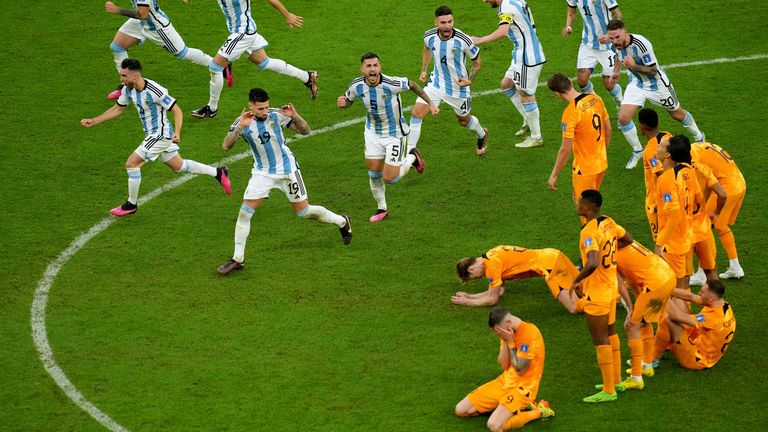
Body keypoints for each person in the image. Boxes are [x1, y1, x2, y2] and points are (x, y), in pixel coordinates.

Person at [217, 88, 351, 275]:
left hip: (288, 170)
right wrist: (240, 127)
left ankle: (341, 221)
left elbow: (305, 131)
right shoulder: (242, 122)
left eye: (266, 107)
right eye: (261, 108)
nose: (265, 112)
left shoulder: (276, 115)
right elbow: (226, 146)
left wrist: (295, 116)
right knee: (245, 212)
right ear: (251, 105)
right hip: (262, 173)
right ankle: (237, 259)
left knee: (304, 212)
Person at [81, 59, 231, 217]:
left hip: (160, 135)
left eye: (124, 76)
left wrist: (178, 132)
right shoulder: (128, 89)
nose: (121, 79)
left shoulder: (155, 90)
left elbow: (177, 110)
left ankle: (131, 204)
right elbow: (118, 108)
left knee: (132, 164)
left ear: (135, 76)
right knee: (178, 166)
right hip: (152, 135)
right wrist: (94, 120)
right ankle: (218, 172)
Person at [337, 52, 438, 223]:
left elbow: (413, 85)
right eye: (368, 66)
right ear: (362, 69)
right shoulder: (356, 85)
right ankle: (382, 208)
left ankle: (412, 157)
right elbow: (349, 99)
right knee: (374, 174)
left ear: (380, 67)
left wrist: (431, 103)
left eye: (375, 65)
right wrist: (344, 103)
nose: (372, 69)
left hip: (394, 134)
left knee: (390, 178)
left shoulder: (392, 83)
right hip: (372, 133)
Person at [191, 0, 318, 119]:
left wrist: (287, 14)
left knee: (215, 67)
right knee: (265, 62)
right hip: (243, 31)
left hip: (243, 33)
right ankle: (307, 77)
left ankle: (211, 108)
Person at [606, 19, 705, 169]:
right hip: (637, 84)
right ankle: (638, 150)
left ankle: (699, 137)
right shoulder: (615, 45)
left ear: (625, 32)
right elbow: (617, 56)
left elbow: (653, 70)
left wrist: (634, 66)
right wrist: (615, 72)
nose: (614, 41)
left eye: (617, 37)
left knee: (676, 114)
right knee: (624, 118)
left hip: (657, 85)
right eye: (611, 38)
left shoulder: (641, 44)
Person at [571, 189, 633, 402]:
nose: (577, 204)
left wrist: (576, 280)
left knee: (600, 339)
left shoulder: (588, 231)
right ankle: (615, 381)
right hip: (611, 288)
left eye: (580, 202)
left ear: (587, 207)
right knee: (611, 332)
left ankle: (609, 391)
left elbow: (592, 261)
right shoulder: (608, 221)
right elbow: (628, 239)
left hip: (596, 293)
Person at [455, 307, 555, 431]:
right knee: (461, 410)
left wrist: (511, 342)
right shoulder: (506, 332)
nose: (499, 335)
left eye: (499, 332)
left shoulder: (530, 334)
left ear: (508, 323)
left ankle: (539, 411)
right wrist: (505, 340)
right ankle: (505, 408)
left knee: (494, 425)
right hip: (504, 383)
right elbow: (503, 365)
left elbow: (520, 369)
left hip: (523, 389)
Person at [104, 1, 227, 101]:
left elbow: (143, 14)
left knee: (182, 53)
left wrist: (117, 10)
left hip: (156, 28)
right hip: (139, 23)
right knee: (117, 46)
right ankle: (128, 84)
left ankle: (218, 64)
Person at [408, 5, 489, 156]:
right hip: (436, 84)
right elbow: (426, 48)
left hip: (458, 88)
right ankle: (411, 154)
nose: (447, 26)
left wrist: (469, 80)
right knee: (416, 113)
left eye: (450, 21)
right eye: (443, 22)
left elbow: (477, 62)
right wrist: (424, 69)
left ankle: (482, 134)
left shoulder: (463, 40)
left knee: (464, 121)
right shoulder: (429, 36)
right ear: (436, 23)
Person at [472, 0, 546, 148]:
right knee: (506, 85)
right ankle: (527, 118)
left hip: (527, 57)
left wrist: (479, 40)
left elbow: (503, 31)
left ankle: (536, 137)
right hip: (521, 53)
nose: (484, 1)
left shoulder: (505, 6)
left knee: (526, 94)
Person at [546, 73, 611, 219]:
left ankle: (594, 238)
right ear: (570, 82)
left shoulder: (570, 113)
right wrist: (602, 153)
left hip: (585, 169)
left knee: (585, 208)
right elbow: (608, 129)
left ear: (557, 94)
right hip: (601, 163)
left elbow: (565, 149)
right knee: (592, 202)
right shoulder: (596, 98)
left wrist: (554, 175)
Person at [615, 239, 675, 389]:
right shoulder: (628, 244)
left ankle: (636, 378)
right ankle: (647, 366)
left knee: (632, 326)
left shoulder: (609, 255)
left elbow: (621, 285)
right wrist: (636, 306)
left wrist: (630, 308)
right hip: (667, 276)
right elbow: (634, 278)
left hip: (655, 284)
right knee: (643, 320)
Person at [453, 245, 580, 312]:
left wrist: (468, 302)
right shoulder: (491, 254)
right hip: (553, 254)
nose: (480, 277)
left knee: (573, 307)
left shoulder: (491, 266)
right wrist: (470, 296)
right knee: (584, 289)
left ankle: (598, 309)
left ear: (471, 270)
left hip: (550, 266)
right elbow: (498, 292)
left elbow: (493, 299)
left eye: (475, 277)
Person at [689, 141, 747, 279]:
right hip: (739, 184)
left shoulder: (692, 158)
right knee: (720, 225)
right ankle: (735, 267)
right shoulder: (698, 146)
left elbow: (704, 187)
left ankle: (702, 274)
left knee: (703, 227)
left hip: (727, 188)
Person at [651, 280, 735, 370]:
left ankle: (652, 359)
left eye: (702, 292)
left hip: (697, 359)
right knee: (677, 299)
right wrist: (665, 290)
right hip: (699, 338)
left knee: (668, 319)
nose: (699, 293)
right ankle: (667, 343)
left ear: (711, 298)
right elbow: (690, 296)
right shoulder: (722, 305)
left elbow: (676, 316)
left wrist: (662, 296)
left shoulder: (713, 318)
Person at [655, 135, 698, 290]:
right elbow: (698, 200)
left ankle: (682, 314)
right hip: (687, 236)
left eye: (661, 146)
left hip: (673, 243)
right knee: (683, 286)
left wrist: (659, 244)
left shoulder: (666, 179)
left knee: (674, 289)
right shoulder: (688, 171)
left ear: (668, 155)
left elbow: (674, 216)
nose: (657, 148)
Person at [561, 1, 624, 106]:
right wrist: (568, 26)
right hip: (588, 44)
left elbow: (617, 14)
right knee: (582, 80)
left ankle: (620, 104)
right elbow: (571, 12)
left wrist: (611, 36)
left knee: (609, 84)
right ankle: (596, 105)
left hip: (608, 46)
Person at [687, 151, 727, 286]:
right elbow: (722, 194)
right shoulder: (703, 169)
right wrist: (716, 213)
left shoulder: (673, 175)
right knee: (711, 271)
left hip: (684, 229)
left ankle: (682, 306)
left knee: (682, 276)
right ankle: (717, 305)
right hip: (703, 227)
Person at [636, 108, 671, 241]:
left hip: (657, 201)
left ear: (642, 125)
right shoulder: (668, 136)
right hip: (678, 192)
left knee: (661, 243)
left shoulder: (651, 150)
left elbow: (661, 176)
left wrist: (661, 204)